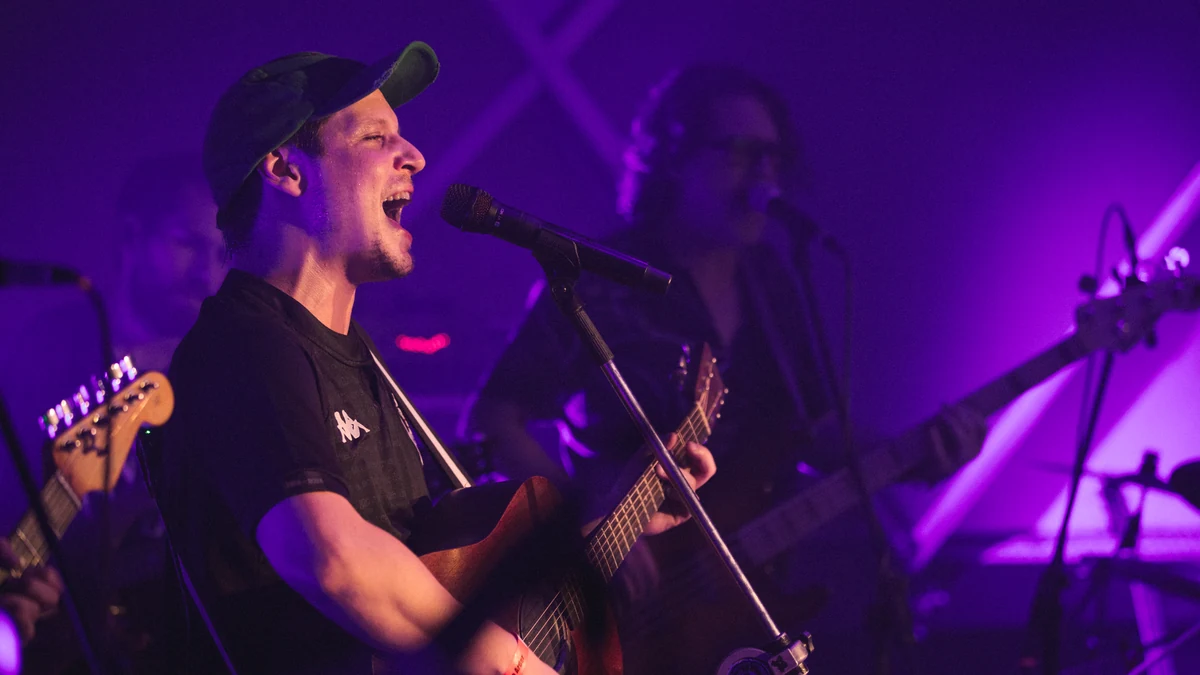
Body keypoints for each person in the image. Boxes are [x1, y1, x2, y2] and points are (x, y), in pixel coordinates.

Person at [154, 41, 714, 675]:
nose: (415, 155)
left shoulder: (361, 362)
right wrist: (515, 666)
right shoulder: (246, 344)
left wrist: (618, 517)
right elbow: (331, 557)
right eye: (374, 138)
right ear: (286, 171)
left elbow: (437, 581)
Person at [466, 64, 988, 674]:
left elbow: (817, 436)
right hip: (619, 598)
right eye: (741, 153)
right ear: (674, 157)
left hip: (740, 601)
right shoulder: (604, 280)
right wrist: (583, 525)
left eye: (774, 157)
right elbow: (494, 421)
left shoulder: (774, 283)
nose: (765, 176)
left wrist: (918, 454)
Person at [0, 153, 224, 673]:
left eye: (219, 252)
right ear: (132, 235)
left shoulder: (222, 362)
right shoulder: (42, 349)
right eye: (186, 243)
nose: (206, 274)